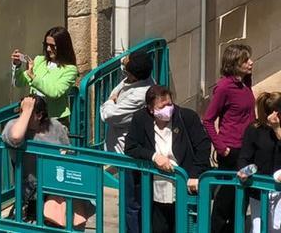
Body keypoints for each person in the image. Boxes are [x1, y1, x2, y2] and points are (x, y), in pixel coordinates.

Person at [124, 85, 211, 233]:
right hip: (156, 189)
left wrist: (195, 175)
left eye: (170, 104)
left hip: (185, 187)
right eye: (162, 106)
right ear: (151, 109)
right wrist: (154, 156)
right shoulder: (141, 118)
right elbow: (131, 147)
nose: (168, 109)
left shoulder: (187, 117)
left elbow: (203, 147)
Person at [100, 51, 156, 233]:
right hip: (129, 151)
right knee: (133, 199)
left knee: (132, 203)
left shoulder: (141, 94)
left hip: (130, 153)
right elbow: (120, 88)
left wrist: (109, 102)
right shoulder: (138, 81)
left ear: (133, 73)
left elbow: (109, 115)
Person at [204, 43, 256, 233]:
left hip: (247, 148)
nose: (251, 62)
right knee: (224, 201)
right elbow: (208, 120)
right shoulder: (224, 87)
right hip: (231, 150)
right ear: (234, 63)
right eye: (246, 60)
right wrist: (221, 147)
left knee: (241, 199)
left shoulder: (246, 82)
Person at [1, 95, 76, 224]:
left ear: (40, 115)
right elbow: (16, 137)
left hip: (57, 182)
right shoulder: (14, 125)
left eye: (27, 111)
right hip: (31, 188)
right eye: (22, 111)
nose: (22, 114)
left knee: (80, 206)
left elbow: (69, 152)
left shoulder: (54, 126)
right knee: (55, 211)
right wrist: (27, 111)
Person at [12, 26, 79, 121]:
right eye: (46, 45)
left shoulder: (70, 70)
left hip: (54, 120)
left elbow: (55, 92)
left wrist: (33, 77)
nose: (48, 49)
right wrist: (17, 66)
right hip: (34, 118)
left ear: (63, 46)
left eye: (52, 46)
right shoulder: (39, 60)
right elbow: (18, 83)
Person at [238, 91, 281, 233]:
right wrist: (244, 171)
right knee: (258, 229)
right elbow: (245, 156)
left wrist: (277, 129)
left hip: (279, 191)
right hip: (259, 189)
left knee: (277, 228)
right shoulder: (254, 129)